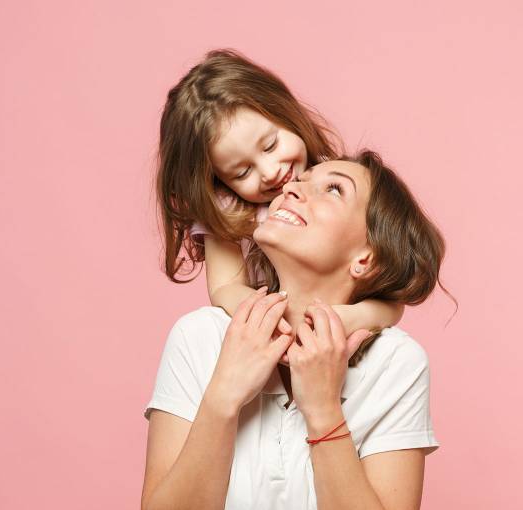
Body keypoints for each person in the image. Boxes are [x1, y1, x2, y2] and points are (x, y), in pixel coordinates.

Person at [142, 151, 447, 510]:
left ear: (365, 259)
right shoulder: (198, 336)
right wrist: (224, 395)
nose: (291, 188)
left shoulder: (396, 363)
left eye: (334, 189)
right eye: (301, 181)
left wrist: (323, 409)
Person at [156, 49, 404, 356]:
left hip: (336, 345)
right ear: (219, 181)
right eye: (242, 172)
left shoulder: (330, 185)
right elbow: (225, 288)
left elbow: (391, 298)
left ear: (285, 114)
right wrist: (279, 322)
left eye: (271, 145)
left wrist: (355, 316)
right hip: (270, 346)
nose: (271, 172)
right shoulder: (227, 211)